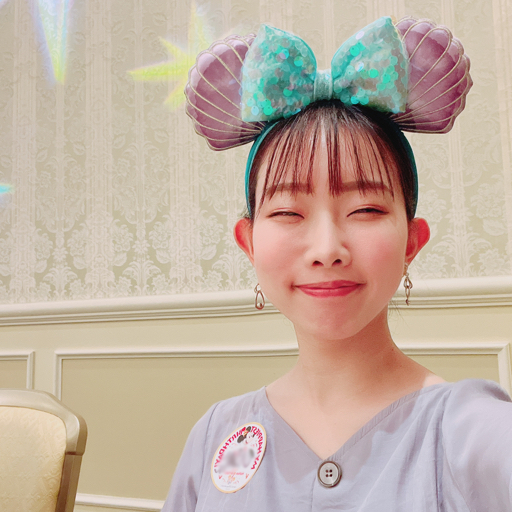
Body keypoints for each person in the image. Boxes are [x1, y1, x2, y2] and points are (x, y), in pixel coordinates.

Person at [162, 17, 512, 511]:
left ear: (412, 242)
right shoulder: (214, 435)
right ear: (249, 243)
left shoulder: (473, 431)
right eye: (288, 213)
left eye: (365, 210)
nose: (327, 249)